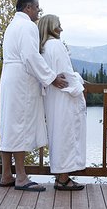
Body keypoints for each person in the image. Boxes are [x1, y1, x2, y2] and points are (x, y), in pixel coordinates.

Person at [0, 0, 68, 192]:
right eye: (37, 7)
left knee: (9, 125)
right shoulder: (28, 26)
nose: (39, 11)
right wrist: (52, 78)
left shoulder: (12, 26)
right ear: (28, 8)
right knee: (19, 125)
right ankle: (20, 177)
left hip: (9, 78)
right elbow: (30, 56)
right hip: (21, 80)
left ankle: (6, 174)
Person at [37, 14, 86, 191]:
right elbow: (65, 72)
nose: (61, 29)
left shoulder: (42, 48)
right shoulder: (57, 45)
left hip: (52, 97)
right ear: (51, 27)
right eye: (59, 26)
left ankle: (60, 175)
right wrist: (79, 87)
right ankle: (63, 178)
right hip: (65, 96)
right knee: (66, 134)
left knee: (57, 133)